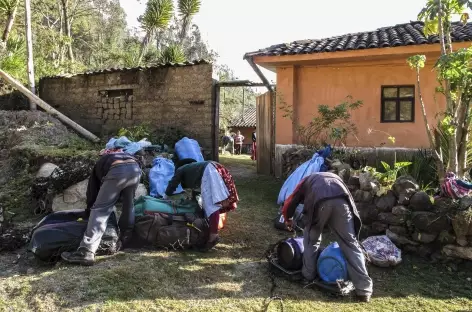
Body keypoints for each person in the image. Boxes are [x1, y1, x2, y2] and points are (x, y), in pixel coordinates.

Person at [281, 172, 373, 302]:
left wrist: (288, 218)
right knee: (350, 244)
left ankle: (308, 276)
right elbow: (349, 197)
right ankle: (364, 290)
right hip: (342, 204)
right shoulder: (334, 177)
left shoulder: (305, 181)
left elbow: (292, 200)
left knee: (311, 240)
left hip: (319, 203)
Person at [61, 147, 142, 266]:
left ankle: (86, 251)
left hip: (117, 170)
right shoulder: (126, 154)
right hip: (135, 169)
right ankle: (125, 239)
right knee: (129, 205)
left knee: (100, 210)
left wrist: (89, 211)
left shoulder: (102, 162)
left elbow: (92, 191)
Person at [164, 158, 238, 248]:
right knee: (215, 202)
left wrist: (166, 196)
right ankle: (209, 228)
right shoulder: (195, 169)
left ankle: (213, 236)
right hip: (218, 167)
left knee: (212, 205)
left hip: (210, 170)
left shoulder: (181, 169)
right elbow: (198, 193)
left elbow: (173, 183)